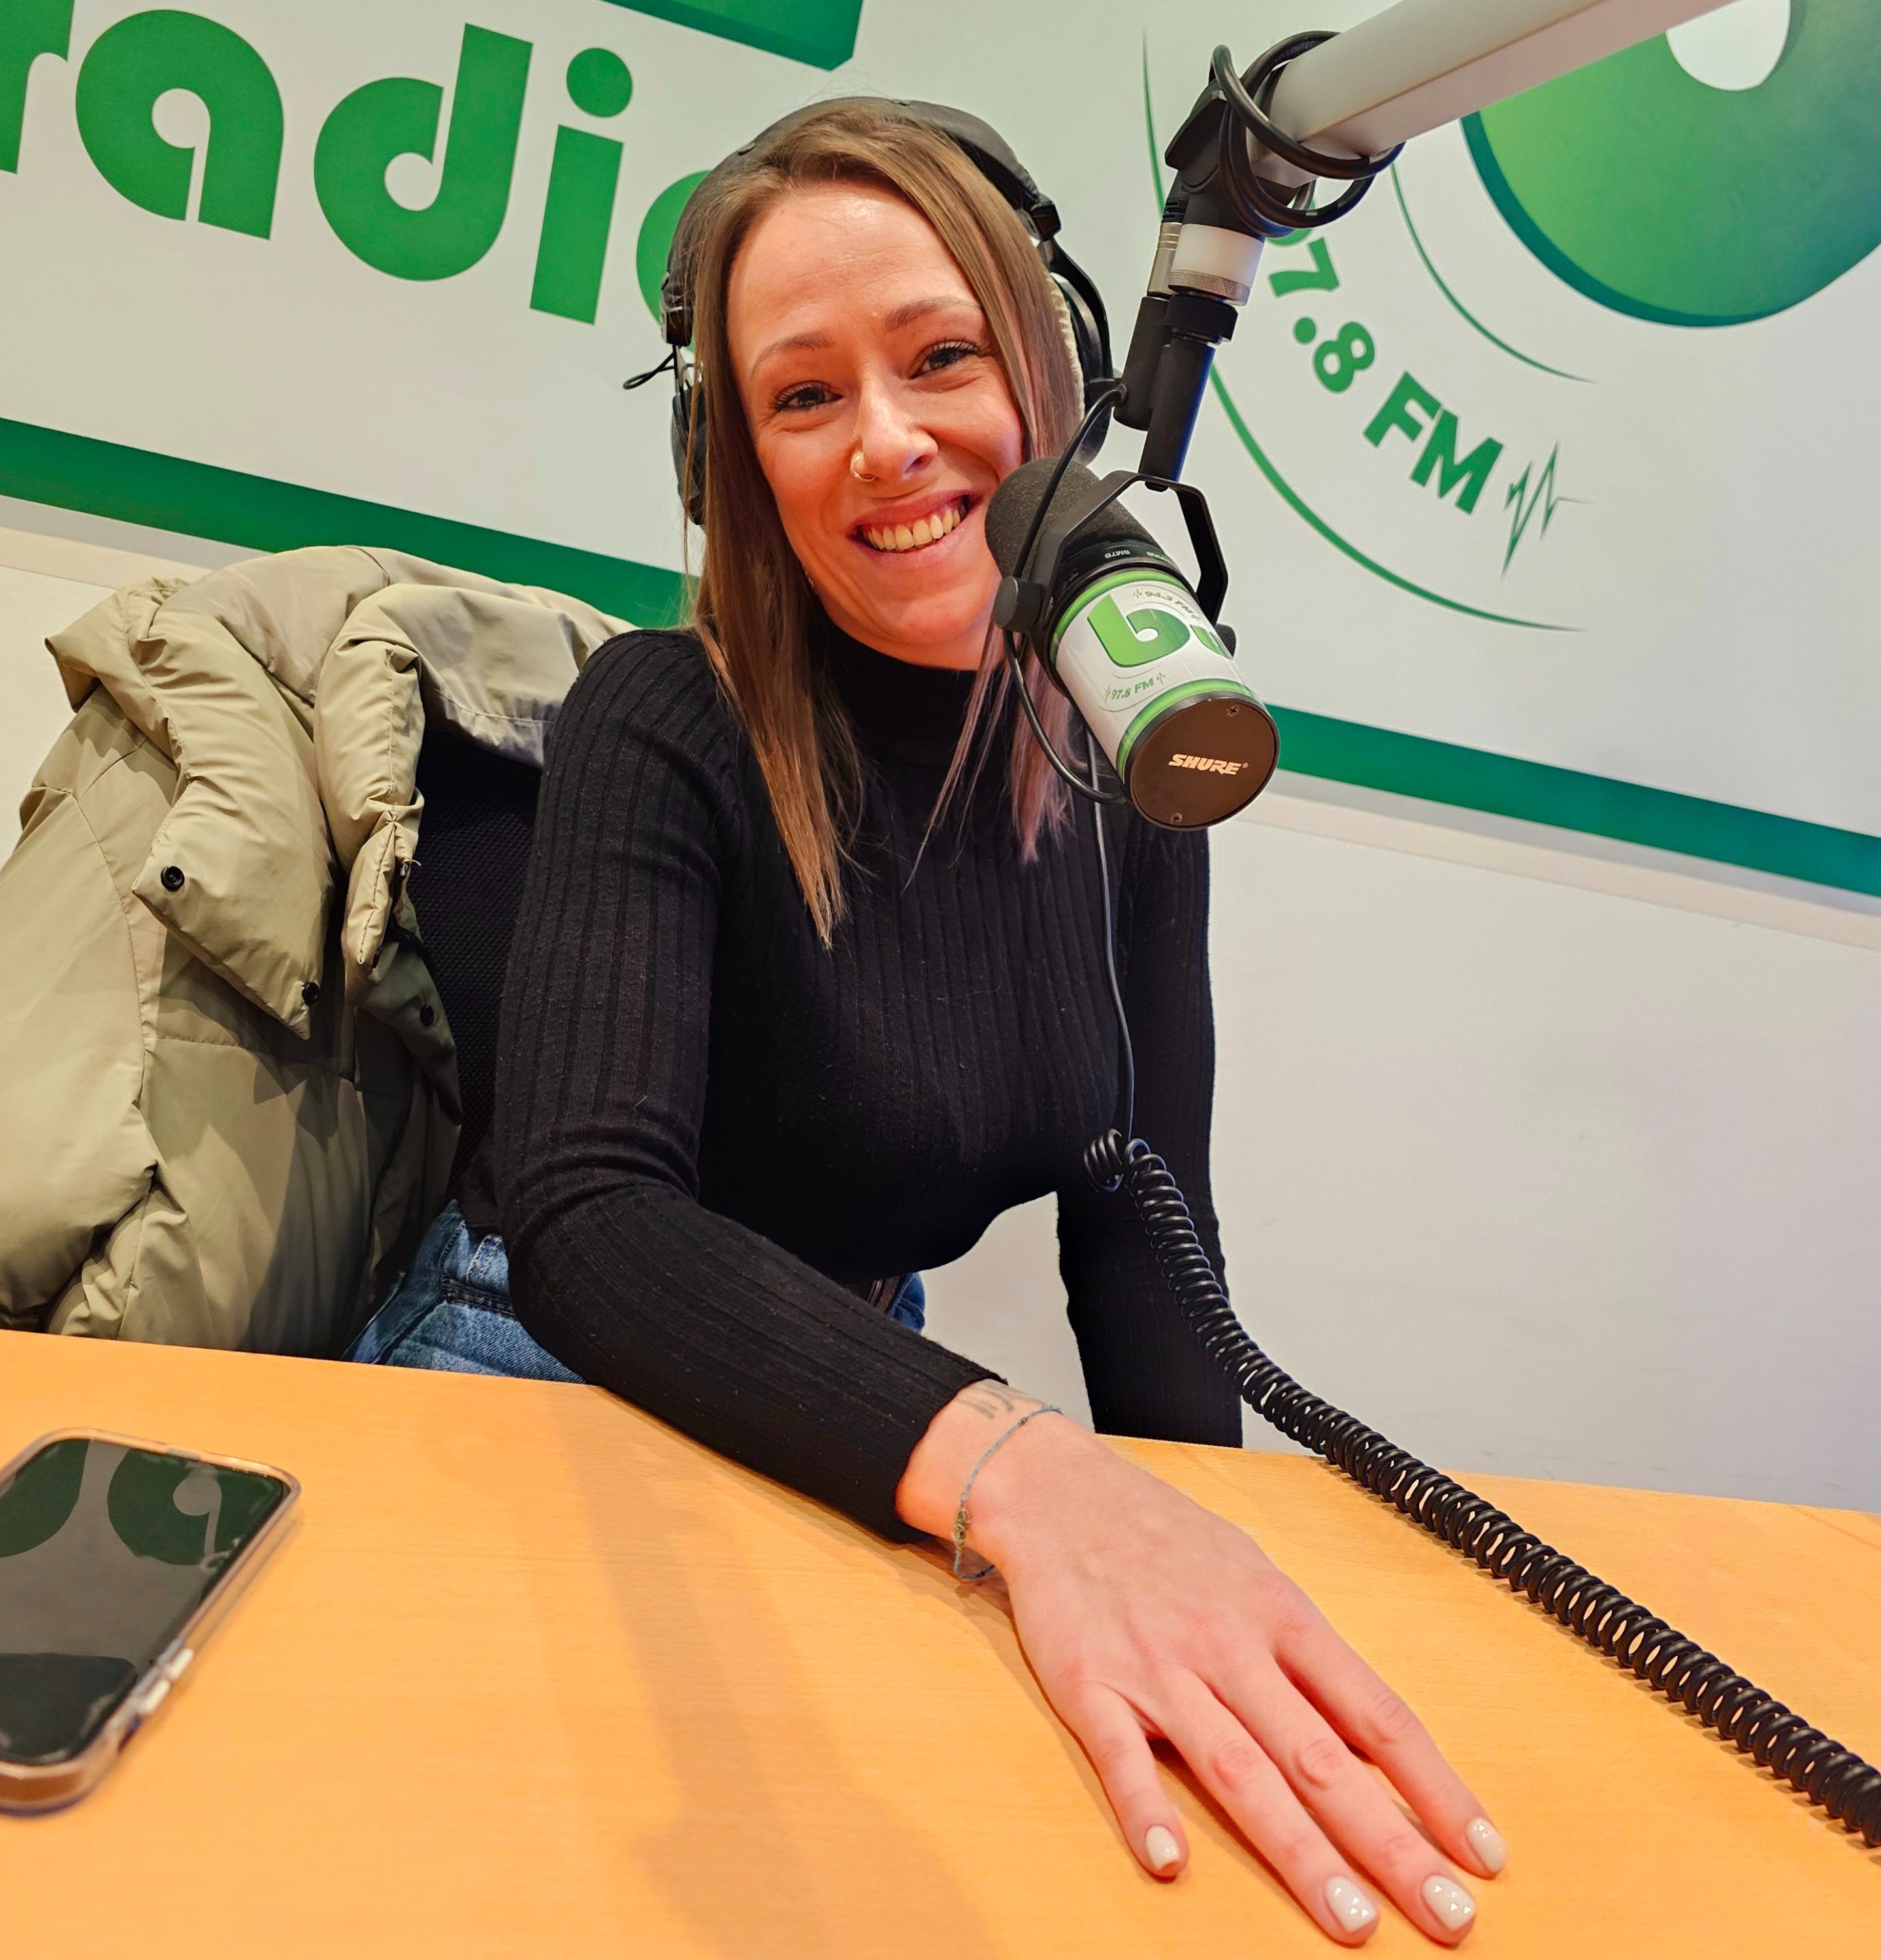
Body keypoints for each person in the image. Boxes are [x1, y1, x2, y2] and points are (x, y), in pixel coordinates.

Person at [351, 103, 1504, 1946]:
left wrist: (1193, 1549)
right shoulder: (666, 713)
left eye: (941, 357)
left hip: (870, 1388)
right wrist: (1038, 1478)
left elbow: (1143, 1221)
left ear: (1049, 372)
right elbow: (587, 1213)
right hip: (535, 1360)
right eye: (804, 396)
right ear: (734, 463)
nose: (885, 440)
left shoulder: (1131, 753)